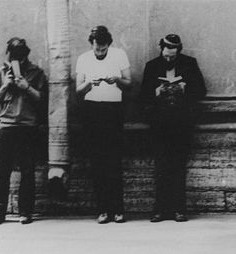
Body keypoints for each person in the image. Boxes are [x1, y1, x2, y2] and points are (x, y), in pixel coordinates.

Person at [140, 34, 206, 222]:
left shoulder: (189, 64)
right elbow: (142, 96)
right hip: (160, 124)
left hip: (181, 123)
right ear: (161, 50)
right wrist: (156, 92)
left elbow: (201, 90)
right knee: (161, 167)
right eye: (166, 56)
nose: (169, 59)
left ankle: (179, 209)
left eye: (172, 56)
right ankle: (160, 210)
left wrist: (185, 88)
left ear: (179, 51)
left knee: (178, 167)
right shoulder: (152, 66)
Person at [0, 37, 48, 226]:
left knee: (27, 170)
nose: (18, 61)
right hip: (7, 126)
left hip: (28, 126)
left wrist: (26, 87)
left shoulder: (36, 72)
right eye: (15, 56)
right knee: (2, 171)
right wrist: (6, 85)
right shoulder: (2, 72)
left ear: (26, 55)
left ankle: (25, 211)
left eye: (21, 57)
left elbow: (43, 99)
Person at [76, 25, 132, 224]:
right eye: (96, 48)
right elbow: (78, 90)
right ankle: (102, 210)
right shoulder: (83, 59)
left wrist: (116, 79)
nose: (99, 52)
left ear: (109, 44)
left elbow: (129, 83)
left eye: (103, 49)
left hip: (113, 110)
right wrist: (90, 84)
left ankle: (117, 209)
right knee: (97, 161)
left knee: (114, 161)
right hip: (91, 111)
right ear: (91, 44)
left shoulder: (119, 55)